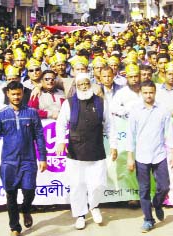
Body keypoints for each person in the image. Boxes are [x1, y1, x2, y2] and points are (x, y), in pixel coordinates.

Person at [56, 73, 117, 230]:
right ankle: (80, 215)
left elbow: (110, 125)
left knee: (97, 184)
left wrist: (114, 144)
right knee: (77, 185)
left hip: (96, 150)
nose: (84, 87)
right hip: (75, 152)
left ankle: (94, 206)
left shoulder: (101, 102)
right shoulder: (69, 103)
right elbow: (61, 123)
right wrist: (61, 141)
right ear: (76, 86)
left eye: (86, 84)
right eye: (80, 84)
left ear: (90, 84)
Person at [0, 81, 47, 236]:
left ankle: (26, 209)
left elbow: (40, 137)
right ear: (8, 94)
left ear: (23, 94)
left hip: (28, 160)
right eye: (13, 94)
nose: (16, 97)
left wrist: (43, 158)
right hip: (9, 162)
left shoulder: (32, 113)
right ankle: (15, 227)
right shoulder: (1, 115)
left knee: (29, 191)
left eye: (19, 94)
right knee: (11, 195)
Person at [126, 80, 173, 233]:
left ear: (155, 92)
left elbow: (169, 132)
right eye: (145, 93)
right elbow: (130, 135)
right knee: (144, 189)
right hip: (141, 156)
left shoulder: (163, 110)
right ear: (141, 93)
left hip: (159, 154)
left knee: (164, 186)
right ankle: (148, 219)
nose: (148, 95)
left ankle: (158, 203)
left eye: (151, 92)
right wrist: (130, 157)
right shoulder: (135, 111)